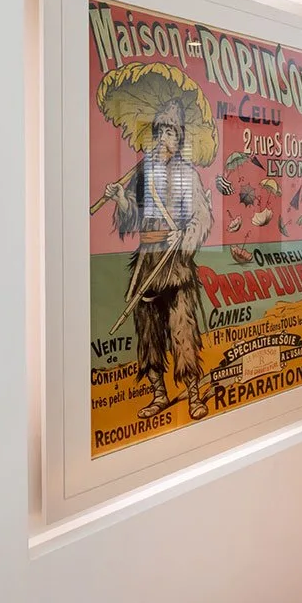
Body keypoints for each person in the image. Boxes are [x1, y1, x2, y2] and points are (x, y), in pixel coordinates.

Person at [105, 98, 212, 421]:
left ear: (179, 140)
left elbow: (201, 218)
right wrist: (122, 199)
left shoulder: (187, 174)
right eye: (162, 131)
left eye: (172, 133)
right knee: (148, 333)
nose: (166, 137)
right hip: (148, 264)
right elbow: (131, 221)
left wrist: (183, 238)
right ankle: (159, 394)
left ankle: (193, 395)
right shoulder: (144, 173)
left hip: (175, 265)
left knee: (182, 331)